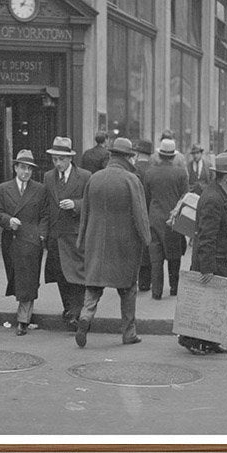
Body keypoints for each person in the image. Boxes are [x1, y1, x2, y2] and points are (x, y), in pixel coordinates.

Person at [74, 137, 151, 348]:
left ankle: (85, 316)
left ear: (111, 155)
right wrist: (146, 239)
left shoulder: (95, 178)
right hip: (124, 246)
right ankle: (129, 333)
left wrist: (82, 240)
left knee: (93, 286)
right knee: (128, 289)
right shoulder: (131, 180)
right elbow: (140, 214)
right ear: (127, 157)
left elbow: (85, 213)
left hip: (96, 242)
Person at [177, 152, 227, 355]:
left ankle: (211, 340)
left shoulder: (220, 193)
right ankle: (189, 340)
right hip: (212, 259)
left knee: (216, 302)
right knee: (203, 302)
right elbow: (206, 235)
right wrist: (206, 267)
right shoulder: (214, 198)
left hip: (220, 257)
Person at [0, 150, 49, 336]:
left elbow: (45, 215)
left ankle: (23, 319)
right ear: (15, 167)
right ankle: (25, 308)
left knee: (29, 278)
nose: (26, 172)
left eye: (29, 169)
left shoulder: (40, 189)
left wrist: (41, 234)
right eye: (22, 167)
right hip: (11, 240)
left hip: (31, 240)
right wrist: (8, 221)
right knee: (16, 276)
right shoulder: (2, 188)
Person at [42, 135, 90, 330]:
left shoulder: (85, 176)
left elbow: (91, 203)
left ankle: (76, 313)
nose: (58, 163)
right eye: (55, 159)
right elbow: (45, 207)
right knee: (60, 275)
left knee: (77, 275)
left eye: (61, 159)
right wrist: (43, 233)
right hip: (56, 234)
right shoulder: (48, 177)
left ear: (70, 158)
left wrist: (75, 204)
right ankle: (69, 308)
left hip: (75, 234)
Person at [145, 138, 189, 299]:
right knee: (174, 256)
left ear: (160, 155)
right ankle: (174, 288)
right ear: (173, 156)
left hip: (154, 218)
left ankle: (156, 292)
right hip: (173, 219)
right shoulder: (181, 173)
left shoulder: (150, 173)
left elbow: (147, 197)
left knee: (156, 259)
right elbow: (186, 196)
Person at [133, 139, 154, 292]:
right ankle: (147, 280)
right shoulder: (153, 169)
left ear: (138, 153)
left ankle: (140, 280)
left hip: (136, 211)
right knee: (148, 247)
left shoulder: (134, 170)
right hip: (150, 211)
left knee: (137, 247)